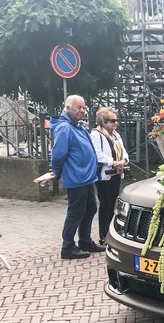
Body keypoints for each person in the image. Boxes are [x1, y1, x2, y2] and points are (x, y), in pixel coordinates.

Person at [50, 95, 106, 259]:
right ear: (67, 108)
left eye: (83, 107)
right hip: (76, 177)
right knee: (76, 211)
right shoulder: (65, 128)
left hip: (87, 177)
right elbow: (58, 154)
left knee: (90, 208)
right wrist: (56, 171)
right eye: (78, 107)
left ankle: (85, 240)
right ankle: (67, 247)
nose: (82, 110)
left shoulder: (78, 126)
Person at [91, 107, 129, 246]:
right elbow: (98, 154)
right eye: (112, 121)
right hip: (104, 175)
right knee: (105, 203)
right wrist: (113, 163)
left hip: (117, 173)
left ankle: (112, 233)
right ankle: (103, 235)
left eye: (116, 120)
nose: (115, 123)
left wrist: (123, 161)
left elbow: (124, 152)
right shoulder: (96, 135)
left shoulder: (116, 135)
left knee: (114, 203)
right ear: (103, 121)